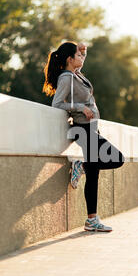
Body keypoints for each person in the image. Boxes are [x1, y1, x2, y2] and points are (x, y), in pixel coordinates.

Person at [43, 41, 125, 232]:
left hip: (91, 129)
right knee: (117, 159)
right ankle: (91, 216)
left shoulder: (75, 75)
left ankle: (91, 219)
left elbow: (80, 63)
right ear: (69, 59)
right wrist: (80, 108)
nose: (81, 58)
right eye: (78, 56)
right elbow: (56, 104)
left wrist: (83, 52)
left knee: (95, 172)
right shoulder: (66, 78)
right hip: (83, 130)